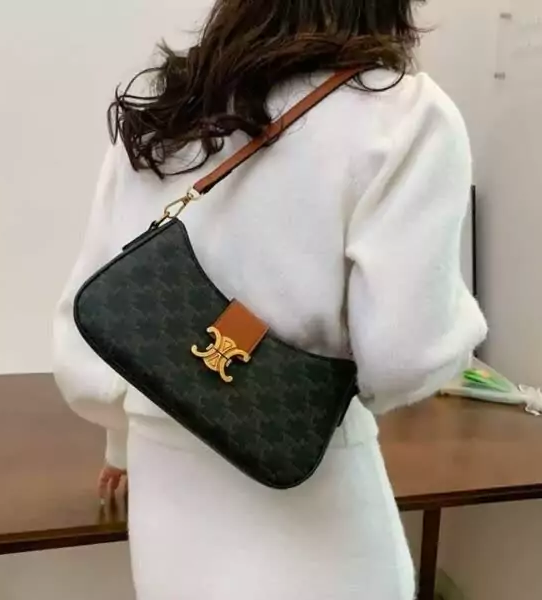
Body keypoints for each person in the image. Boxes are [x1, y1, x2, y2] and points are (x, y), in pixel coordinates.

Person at [53, 1, 488, 598]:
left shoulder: (170, 102)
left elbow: (99, 333)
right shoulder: (403, 112)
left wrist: (122, 442)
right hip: (311, 498)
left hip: (167, 506)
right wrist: (464, 332)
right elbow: (403, 359)